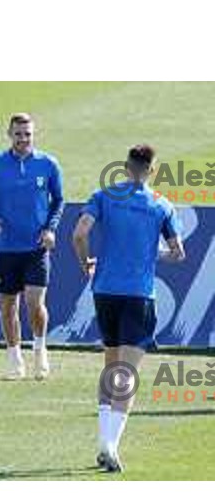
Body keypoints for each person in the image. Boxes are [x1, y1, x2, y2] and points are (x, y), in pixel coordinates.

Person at [73, 144, 185, 473]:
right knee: (127, 372)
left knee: (110, 366)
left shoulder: (105, 196)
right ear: (152, 170)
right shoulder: (161, 205)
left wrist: (85, 264)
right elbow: (178, 253)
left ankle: (103, 442)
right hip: (139, 294)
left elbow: (79, 234)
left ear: (125, 166)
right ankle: (110, 445)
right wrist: (153, 253)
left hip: (105, 291)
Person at [0, 113, 64, 380]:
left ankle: (40, 352)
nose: (23, 138)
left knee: (34, 303)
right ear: (9, 134)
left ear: (34, 134)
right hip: (6, 247)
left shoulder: (48, 164)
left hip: (36, 247)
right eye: (18, 134)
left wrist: (50, 228)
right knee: (8, 307)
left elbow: (58, 200)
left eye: (27, 134)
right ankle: (15, 361)